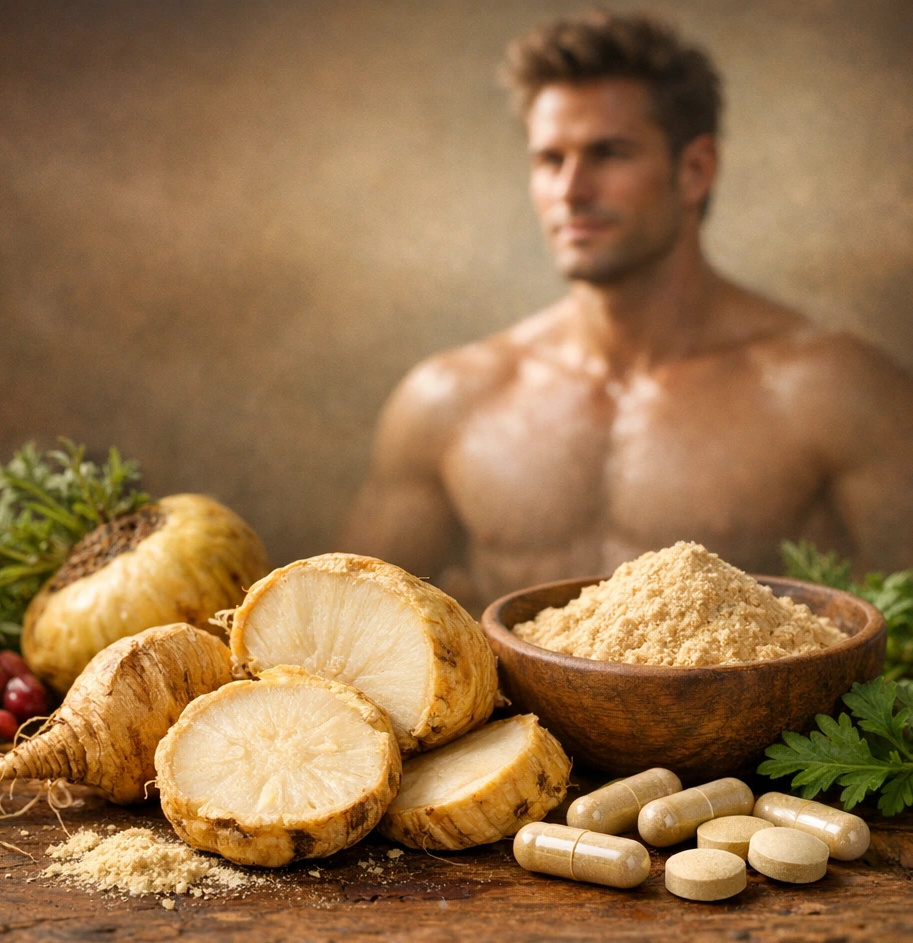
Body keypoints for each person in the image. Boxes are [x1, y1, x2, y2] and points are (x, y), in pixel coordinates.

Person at [339, 11, 913, 614]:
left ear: (694, 171)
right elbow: (341, 631)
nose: (571, 190)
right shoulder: (449, 400)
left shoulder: (834, 392)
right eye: (550, 160)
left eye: (608, 154)